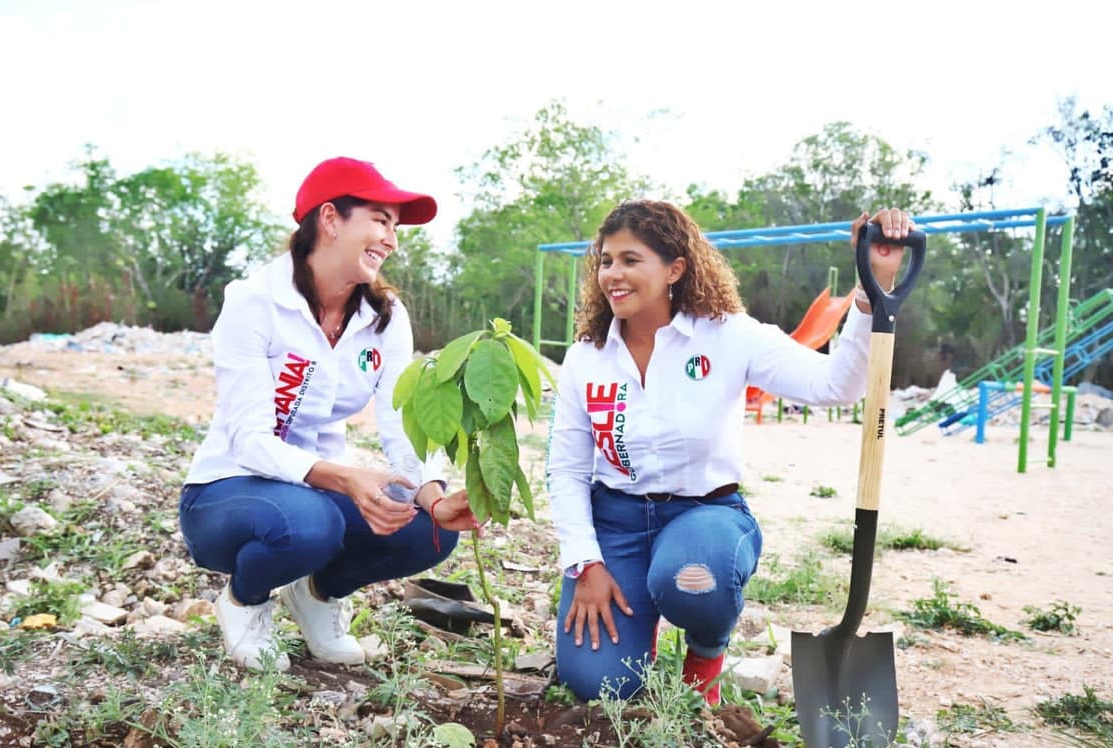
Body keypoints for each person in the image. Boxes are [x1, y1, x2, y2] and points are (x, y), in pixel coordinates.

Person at [546, 200, 913, 704]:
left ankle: (705, 652)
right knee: (601, 685)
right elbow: (565, 469)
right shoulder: (585, 358)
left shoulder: (728, 336)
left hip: (703, 513)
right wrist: (586, 563)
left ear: (675, 268)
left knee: (693, 578)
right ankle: (637, 635)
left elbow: (836, 385)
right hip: (616, 522)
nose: (613, 274)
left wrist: (873, 291)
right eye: (606, 260)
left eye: (631, 260)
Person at [179, 157, 477, 672]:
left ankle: (317, 597)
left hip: (316, 495)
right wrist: (344, 479)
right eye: (381, 220)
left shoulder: (384, 319)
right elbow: (249, 438)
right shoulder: (255, 303)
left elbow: (400, 425)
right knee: (309, 521)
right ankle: (245, 602)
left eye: (395, 227)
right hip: (227, 491)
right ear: (331, 218)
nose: (391, 239)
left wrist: (431, 493)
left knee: (431, 529)